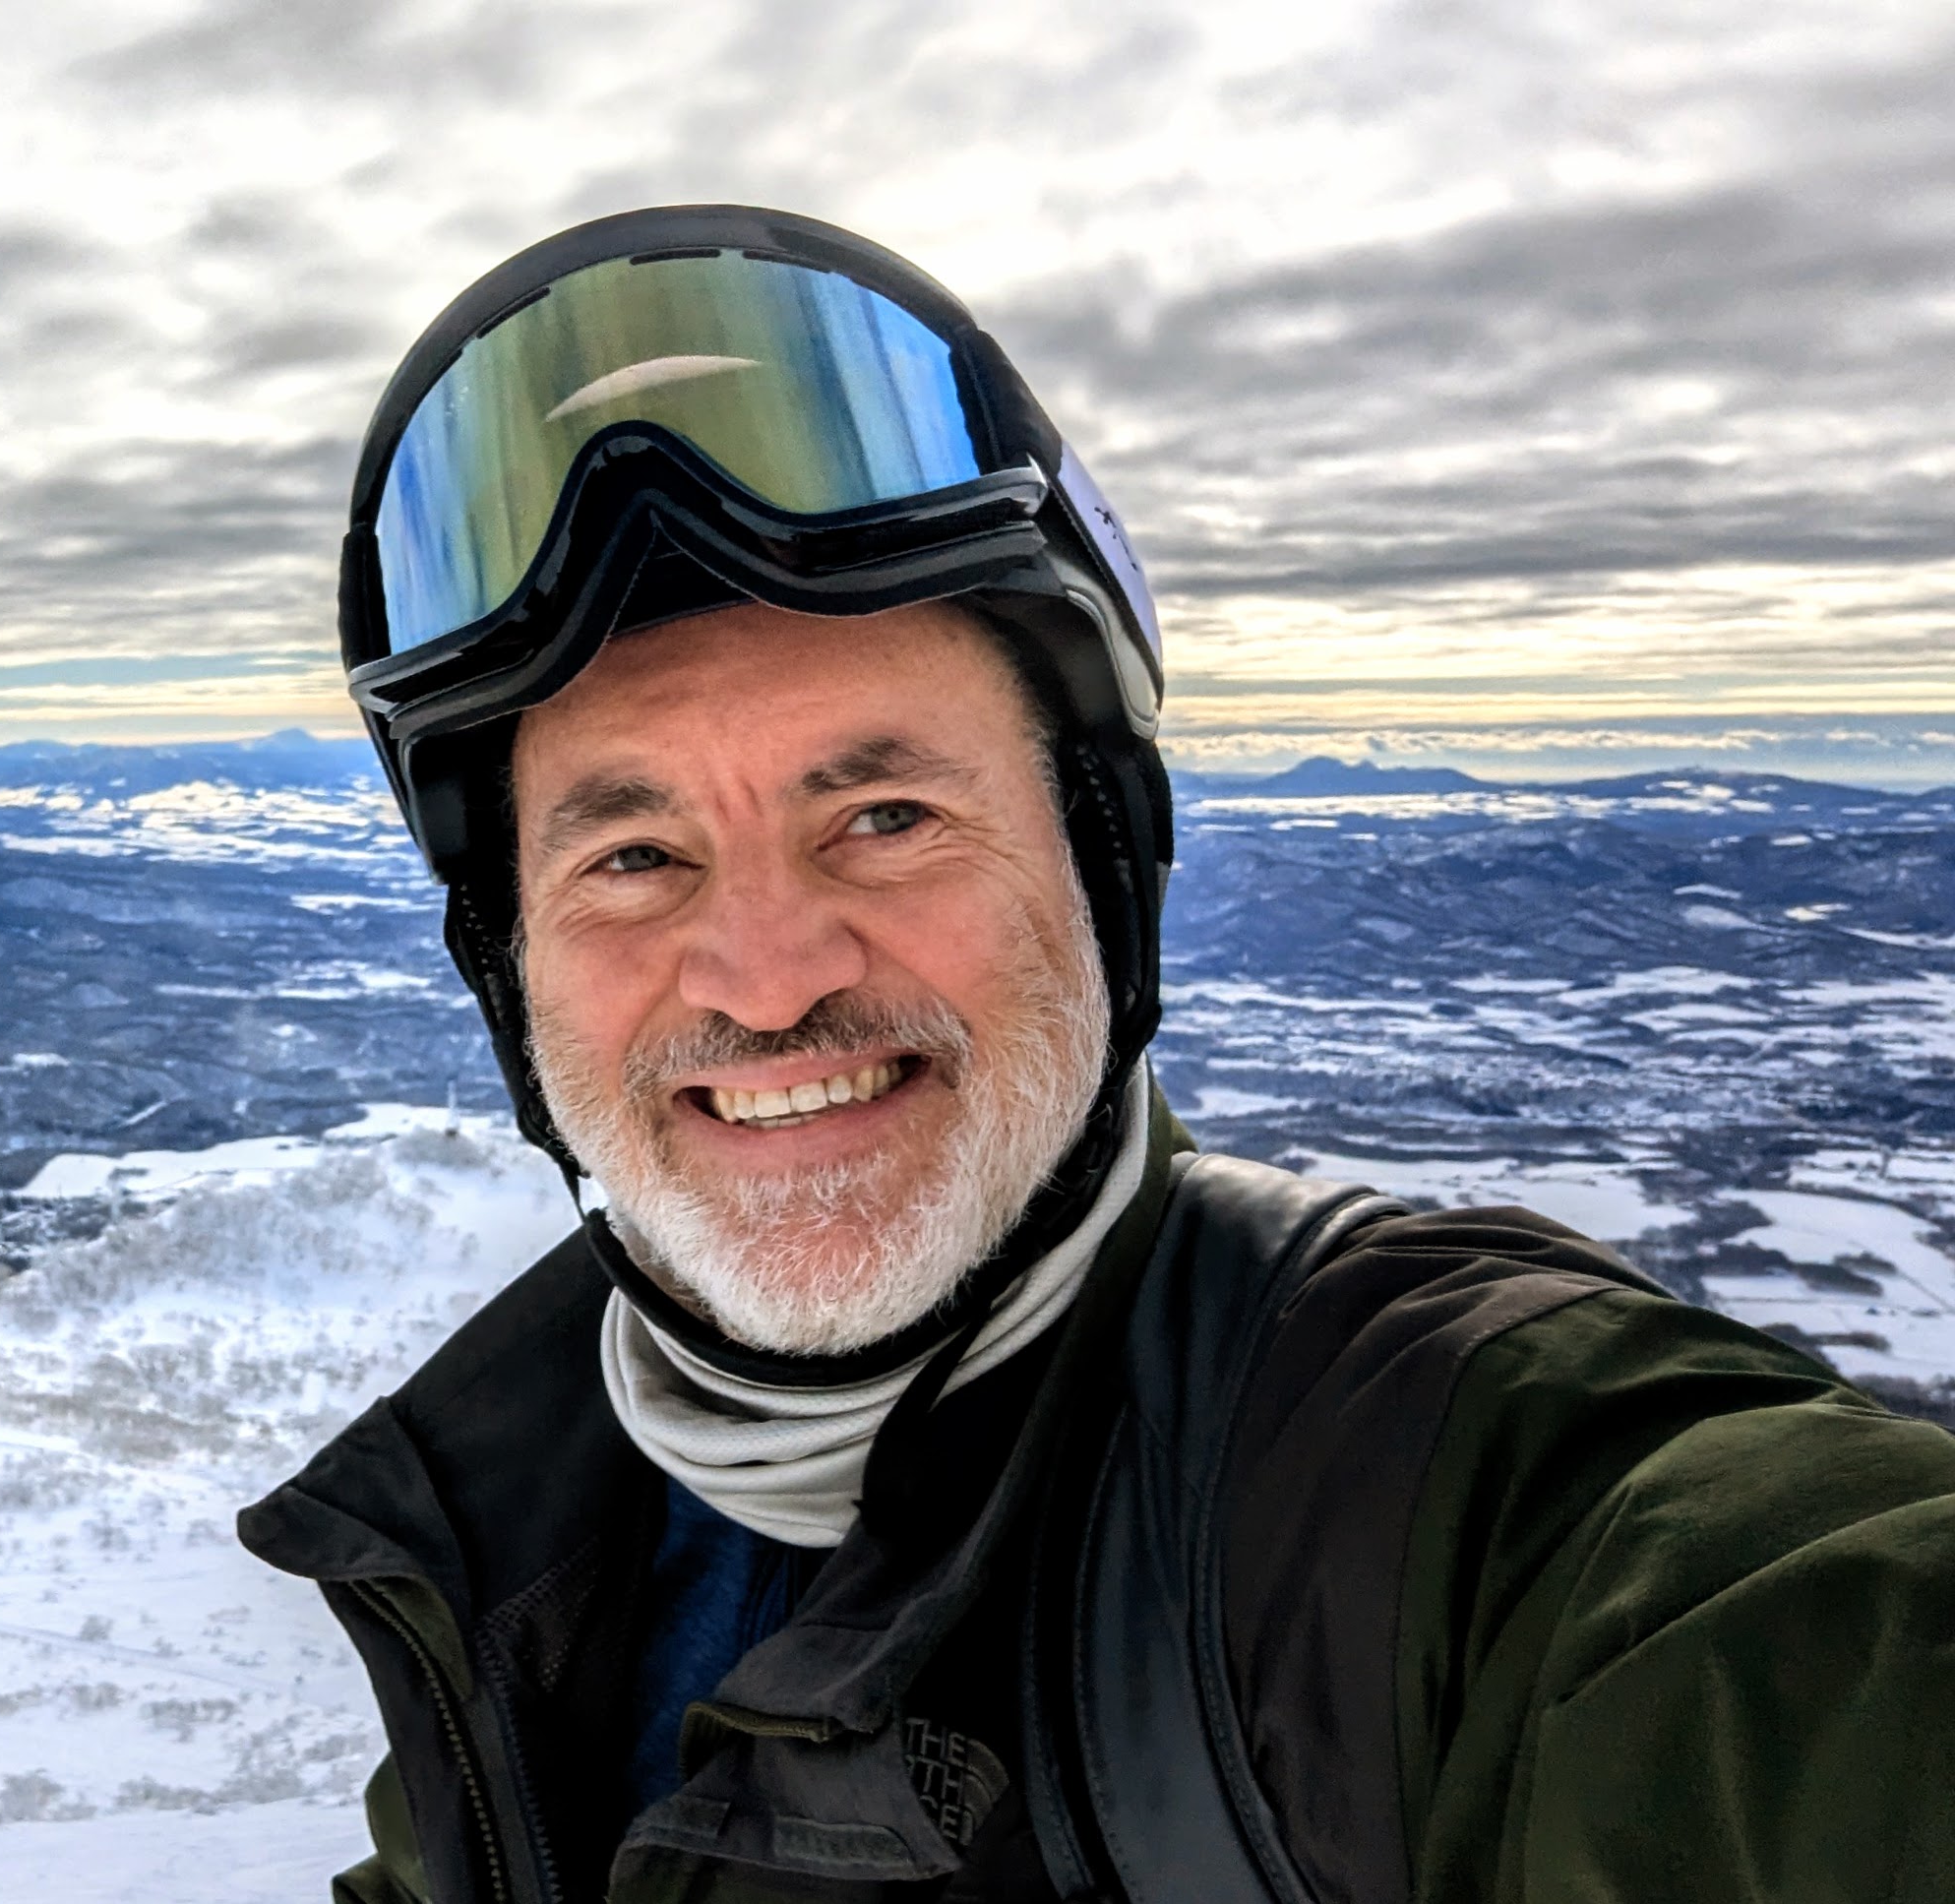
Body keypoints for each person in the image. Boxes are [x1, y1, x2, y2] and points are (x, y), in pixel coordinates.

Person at [238, 205, 1955, 1902]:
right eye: (631, 858)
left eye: (888, 815)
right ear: (512, 965)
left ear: (1100, 860)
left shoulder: (1424, 1490)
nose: (764, 981)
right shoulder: (492, 1562)